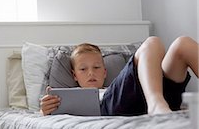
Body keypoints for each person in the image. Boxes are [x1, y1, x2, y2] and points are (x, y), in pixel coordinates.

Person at [40, 36, 198, 116]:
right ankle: (156, 104)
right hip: (114, 107)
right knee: (152, 42)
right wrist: (46, 110)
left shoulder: (115, 86)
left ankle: (157, 103)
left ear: (105, 72)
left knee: (182, 44)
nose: (91, 73)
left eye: (96, 67)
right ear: (74, 75)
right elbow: (47, 115)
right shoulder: (72, 100)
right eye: (83, 69)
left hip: (153, 93)